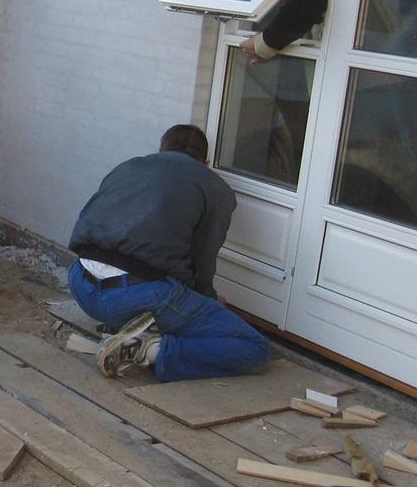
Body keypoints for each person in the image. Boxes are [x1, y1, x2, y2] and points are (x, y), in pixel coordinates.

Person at [67, 124, 271, 380]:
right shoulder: (215, 189)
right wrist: (206, 300)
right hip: (135, 296)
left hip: (81, 285)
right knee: (256, 348)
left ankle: (130, 329)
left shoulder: (128, 167)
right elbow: (203, 259)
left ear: (160, 151)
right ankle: (151, 351)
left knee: (154, 294)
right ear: (206, 162)